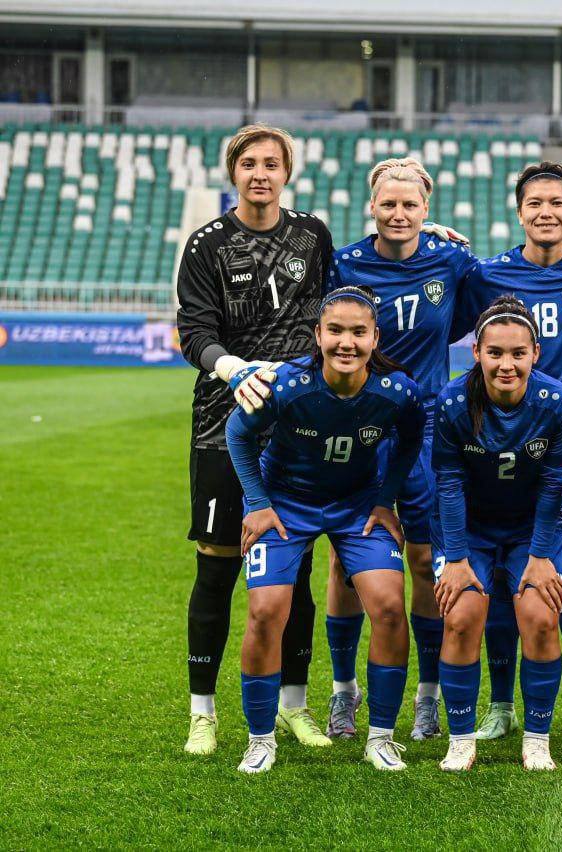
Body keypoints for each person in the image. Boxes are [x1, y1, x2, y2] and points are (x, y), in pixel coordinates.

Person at [176, 123, 333, 756]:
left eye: (271, 163)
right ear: (233, 172)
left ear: (287, 172)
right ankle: (203, 713)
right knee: (217, 567)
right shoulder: (207, 244)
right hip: (222, 425)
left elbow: (348, 290)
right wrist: (233, 368)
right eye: (249, 163)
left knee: (295, 572)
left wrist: (427, 234)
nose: (260, 173)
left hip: (297, 430)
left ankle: (294, 706)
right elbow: (194, 332)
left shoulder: (312, 235)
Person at [458, 161, 562, 742]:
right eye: (535, 203)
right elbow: (450, 318)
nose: (546, 212)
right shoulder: (490, 275)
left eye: (557, 203)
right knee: (505, 578)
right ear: (519, 212)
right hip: (503, 448)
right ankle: (500, 705)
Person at [226, 285, 425, 774]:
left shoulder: (398, 390)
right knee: (265, 611)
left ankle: (381, 738)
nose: (346, 343)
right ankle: (260, 739)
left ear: (375, 338)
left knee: (389, 608)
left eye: (358, 332)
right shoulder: (287, 384)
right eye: (335, 330)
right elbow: (237, 432)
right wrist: (258, 503)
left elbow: (411, 439)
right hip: (285, 504)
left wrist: (384, 500)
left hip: (357, 505)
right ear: (317, 335)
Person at [321, 157, 479, 744]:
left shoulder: (452, 260)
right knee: (345, 562)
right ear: (372, 206)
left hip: (429, 430)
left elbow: (498, 286)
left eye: (410, 204)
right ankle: (344, 692)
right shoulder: (344, 265)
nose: (398, 213)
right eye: (388, 203)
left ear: (426, 209)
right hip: (361, 425)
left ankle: (428, 697)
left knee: (424, 560)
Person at [432, 296, 562, 772]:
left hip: (532, 529)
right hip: (467, 529)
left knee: (540, 617)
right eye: (495, 353)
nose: (506, 364)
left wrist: (541, 555)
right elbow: (448, 483)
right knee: (460, 617)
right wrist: (456, 558)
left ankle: (537, 739)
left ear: (536, 353)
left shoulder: (557, 402)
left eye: (518, 353)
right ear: (476, 352)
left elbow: (554, 482)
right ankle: (460, 739)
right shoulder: (453, 402)